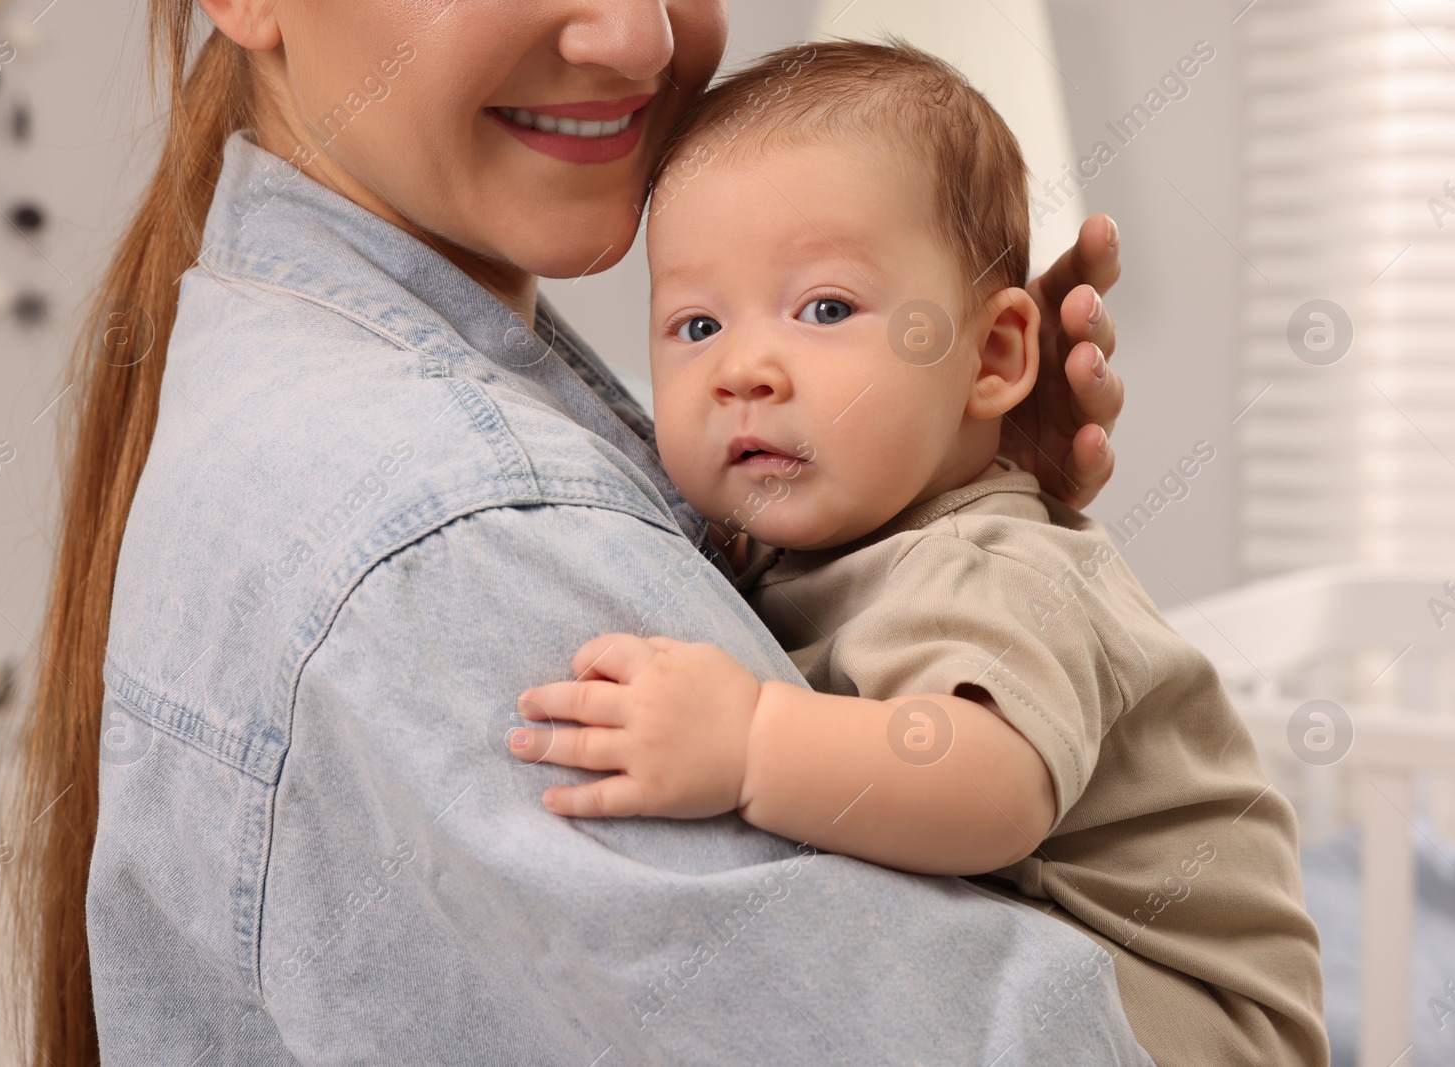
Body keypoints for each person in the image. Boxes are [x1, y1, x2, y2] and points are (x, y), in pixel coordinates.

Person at [6, 3, 1139, 1064]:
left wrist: (928, 509)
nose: (636, 38)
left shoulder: (314, 387)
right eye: (699, 324)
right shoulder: (459, 540)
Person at [510, 42, 1327, 1066]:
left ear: (992, 356)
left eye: (824, 308)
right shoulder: (785, 545)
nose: (742, 369)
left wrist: (751, 738)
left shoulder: (990, 564)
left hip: (1179, 1007)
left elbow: (989, 788)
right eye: (695, 322)